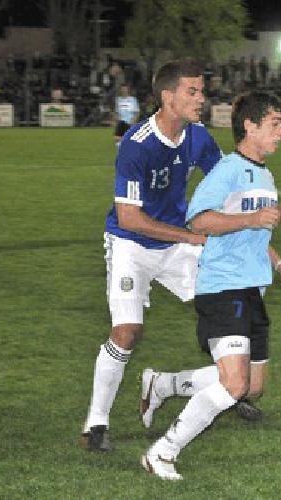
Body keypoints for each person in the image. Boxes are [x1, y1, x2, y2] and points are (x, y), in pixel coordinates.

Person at [141, 91, 281, 480]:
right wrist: (251, 220)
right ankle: (162, 452)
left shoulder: (265, 175)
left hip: (253, 289)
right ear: (249, 126)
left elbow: (257, 233)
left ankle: (163, 384)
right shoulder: (229, 170)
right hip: (222, 287)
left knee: (252, 387)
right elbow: (198, 220)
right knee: (234, 384)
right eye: (275, 124)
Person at [79, 60, 223, 453]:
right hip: (131, 243)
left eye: (201, 91)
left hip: (177, 243)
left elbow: (222, 182)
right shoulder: (136, 144)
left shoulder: (199, 138)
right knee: (127, 332)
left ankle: (230, 386)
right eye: (192, 91)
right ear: (168, 96)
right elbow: (130, 217)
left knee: (225, 312)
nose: (201, 98)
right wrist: (191, 237)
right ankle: (96, 423)